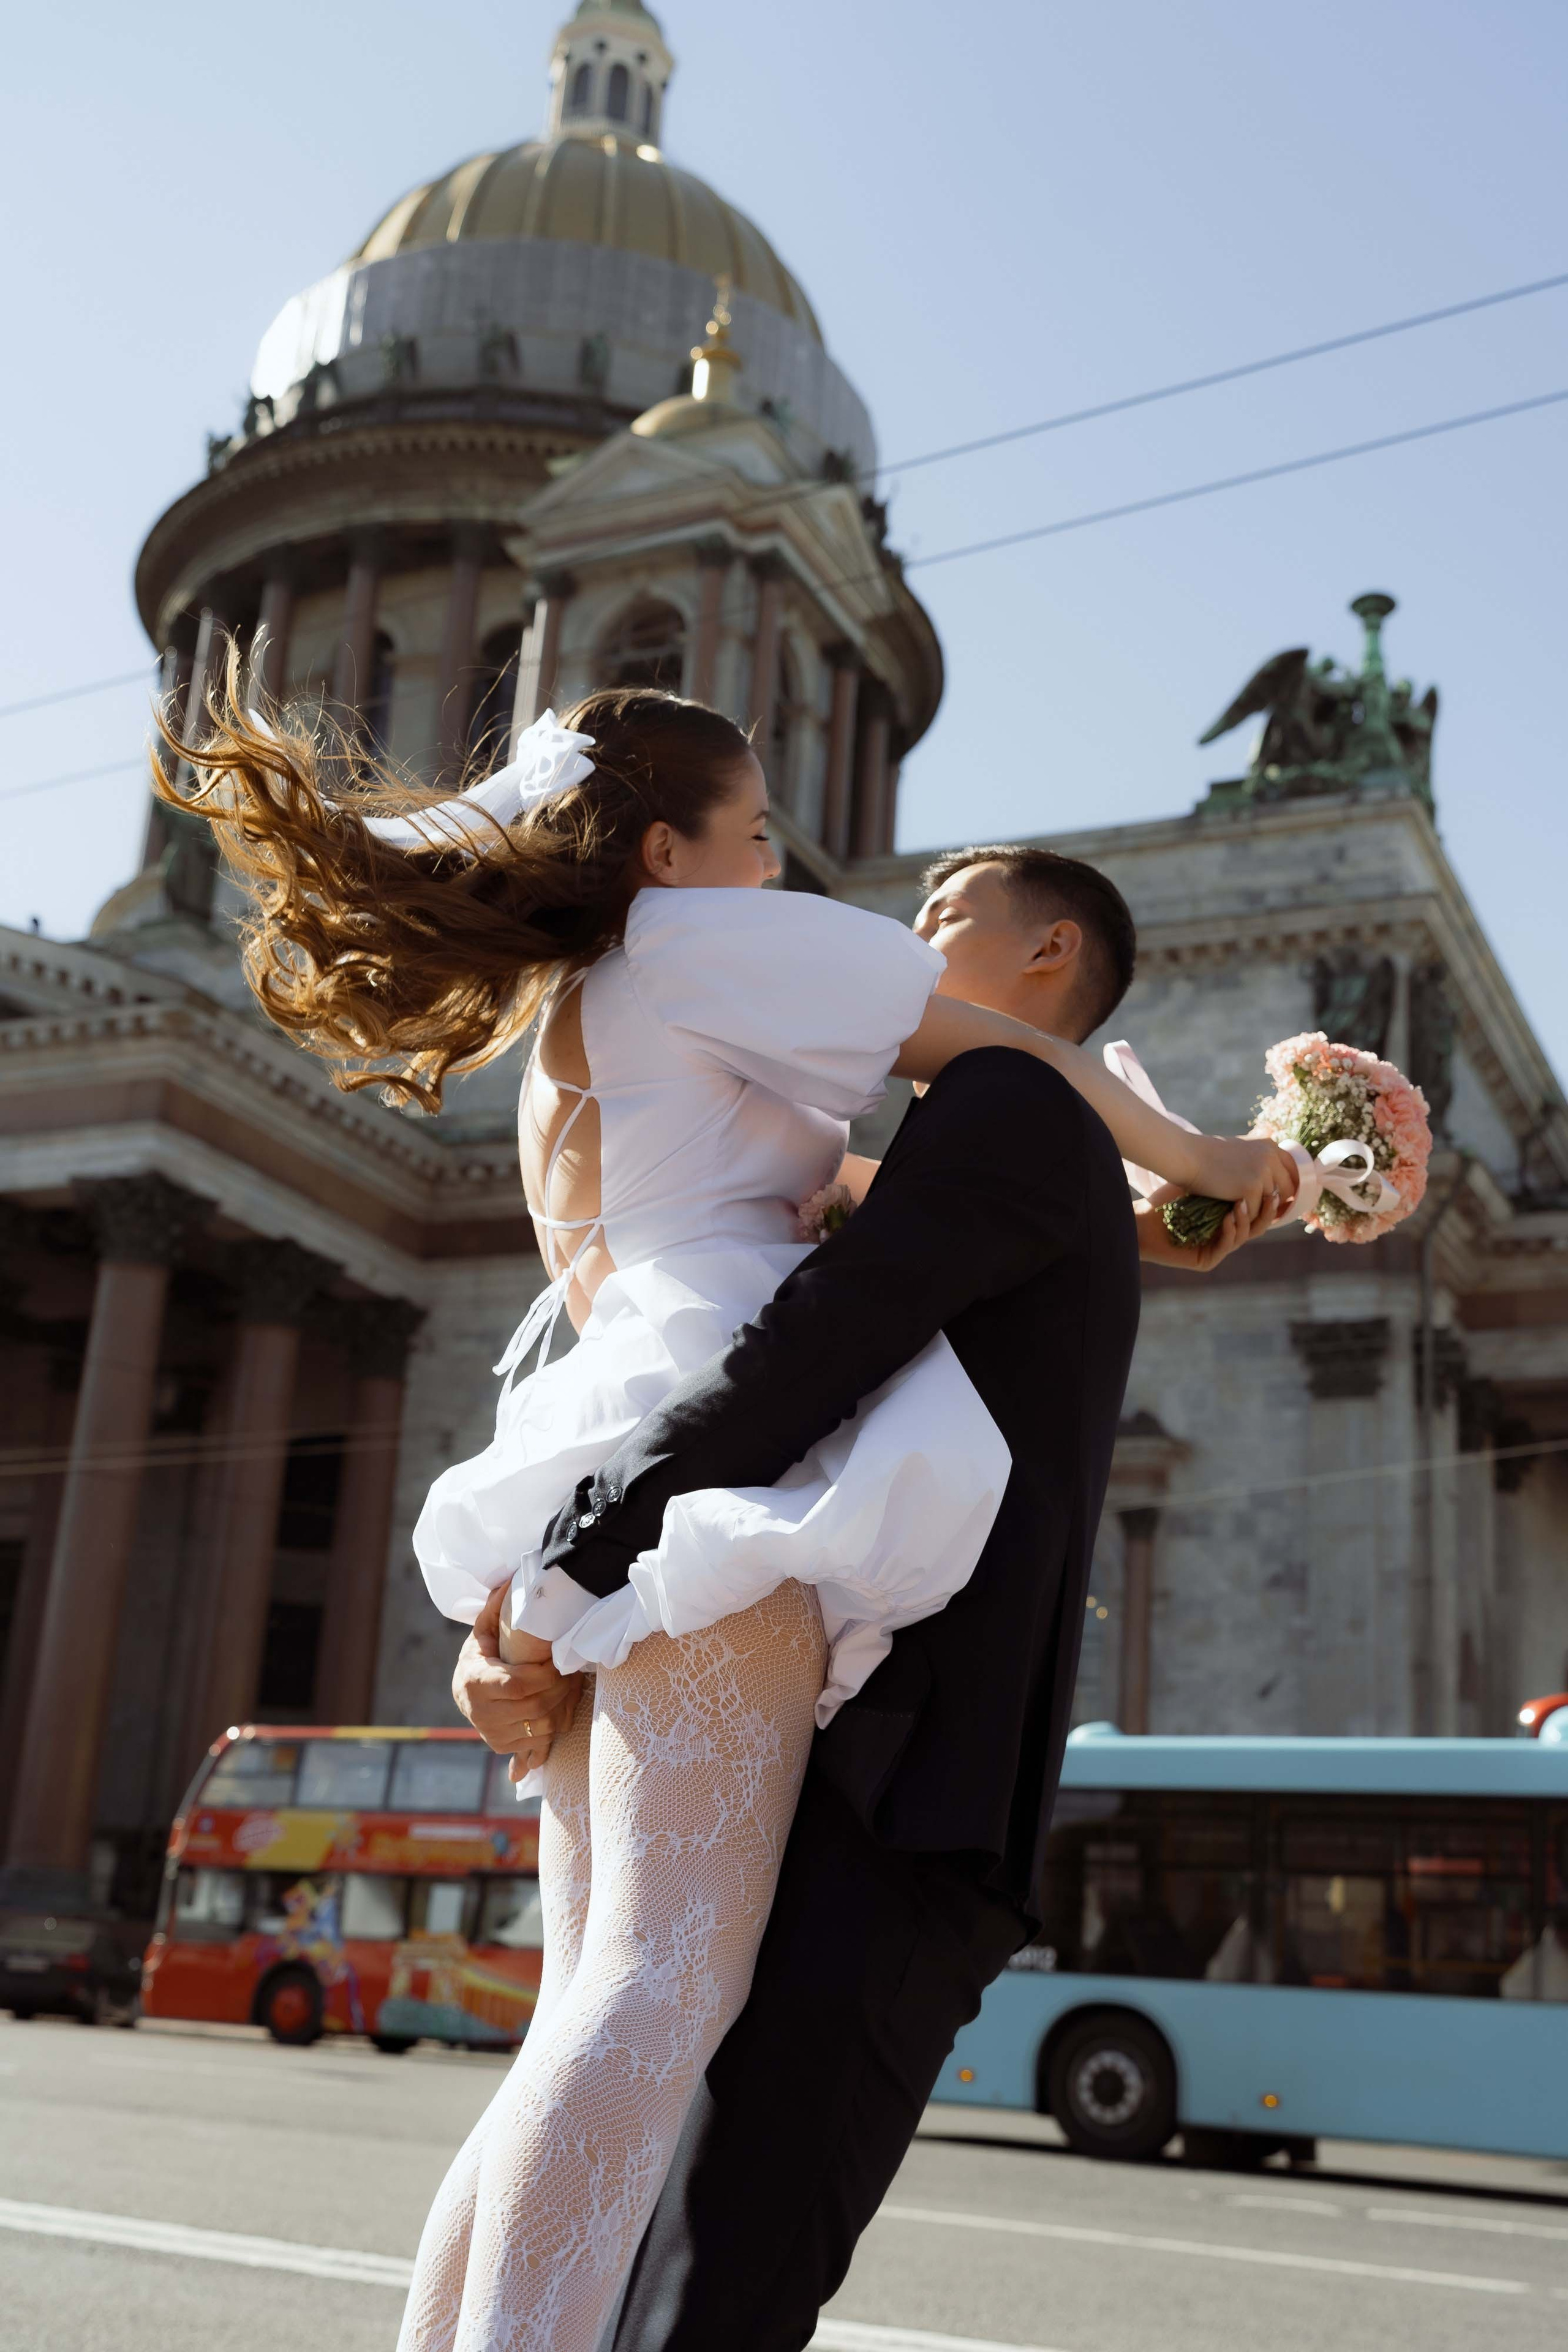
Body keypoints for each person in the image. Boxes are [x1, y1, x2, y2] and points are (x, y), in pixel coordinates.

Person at [154, 679, 1294, 2352]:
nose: (783, 867)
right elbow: (1004, 1061)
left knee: (585, 2009)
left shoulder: (596, 1016)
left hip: (620, 1419)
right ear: (667, 850)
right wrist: (1200, 1148)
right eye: (756, 834)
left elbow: (905, 1199)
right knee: (662, 1991)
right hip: (723, 1446)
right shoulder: (695, 944)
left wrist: (1164, 1215)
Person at [454, 842, 1286, 2352]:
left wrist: (568, 1563)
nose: (901, 935)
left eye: (947, 914)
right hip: (843, 1754)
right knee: (668, 2246)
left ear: (1046, 960)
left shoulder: (1010, 1102)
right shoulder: (972, 1136)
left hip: (908, 1798)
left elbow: (809, 1354)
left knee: (721, 2284)